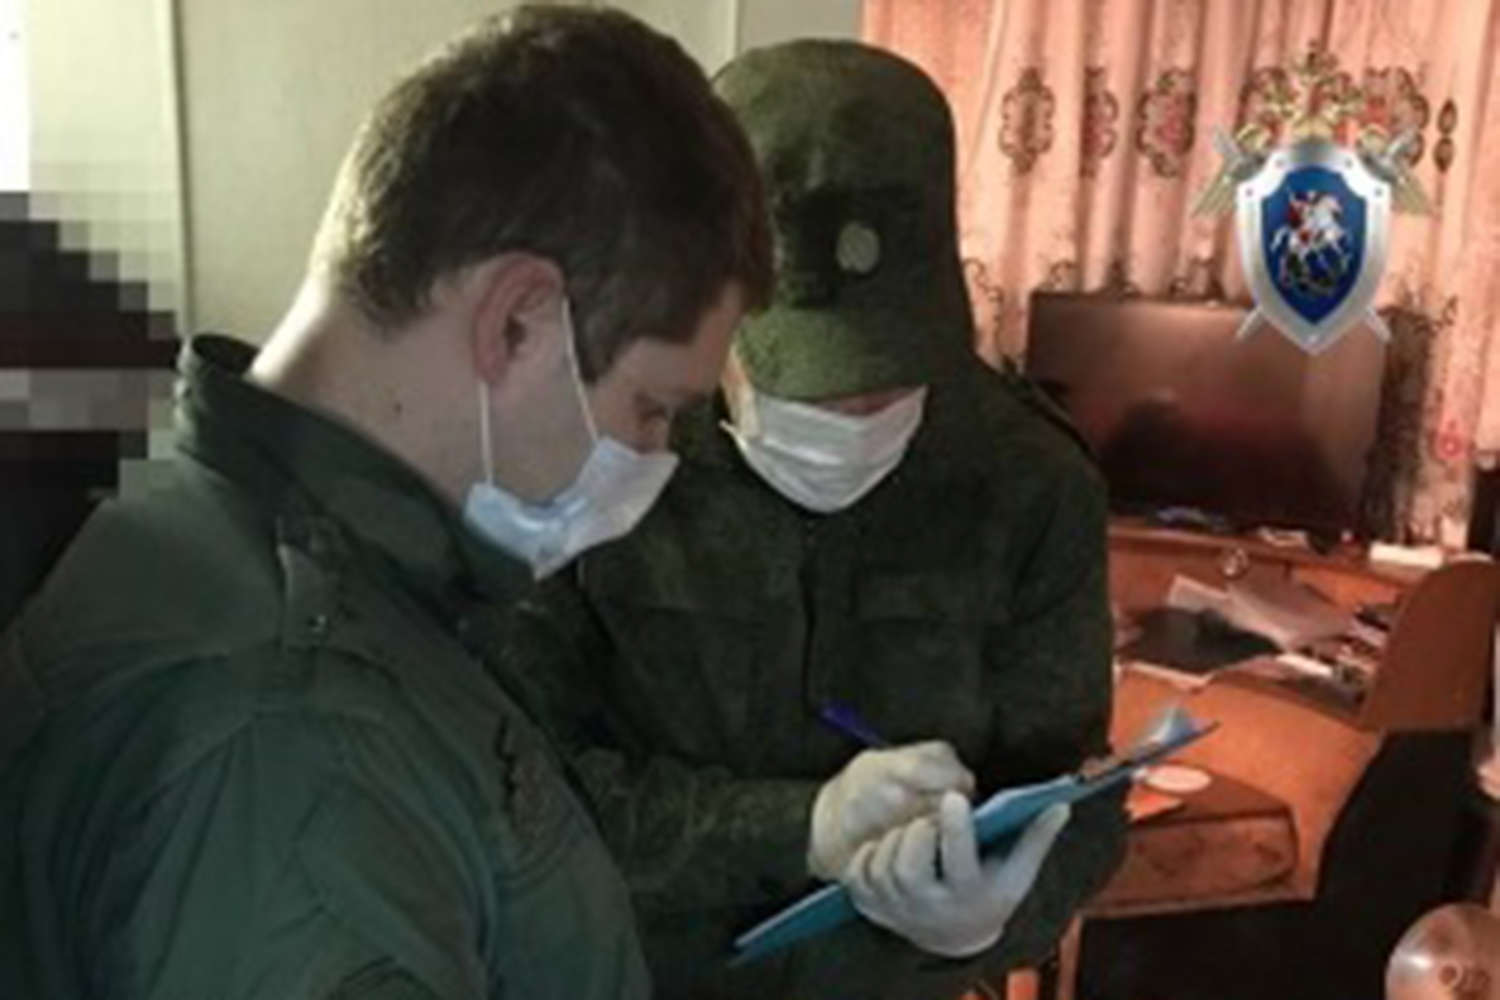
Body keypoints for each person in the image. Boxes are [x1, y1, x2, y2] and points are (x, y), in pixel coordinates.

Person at [0, 8, 774, 998]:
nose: (655, 458)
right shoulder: (290, 739)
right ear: (518, 320)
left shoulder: (214, 514)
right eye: (653, 408)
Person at [501, 40, 1129, 1000]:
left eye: (890, 370)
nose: (856, 409)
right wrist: (796, 829)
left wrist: (994, 913)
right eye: (807, 374)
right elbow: (519, 795)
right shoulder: (592, 450)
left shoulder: (1029, 483)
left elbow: (1075, 789)